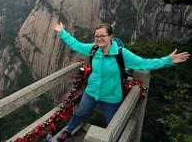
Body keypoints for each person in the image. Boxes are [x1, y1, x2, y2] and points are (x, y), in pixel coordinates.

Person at [51, 22, 190, 141]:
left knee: (113, 125)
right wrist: (62, 32)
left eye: (102, 36)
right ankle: (68, 130)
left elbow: (144, 64)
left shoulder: (121, 53)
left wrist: (168, 60)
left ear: (111, 36)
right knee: (80, 113)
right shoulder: (93, 49)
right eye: (96, 36)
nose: (99, 39)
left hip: (111, 97)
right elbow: (76, 44)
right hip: (91, 92)